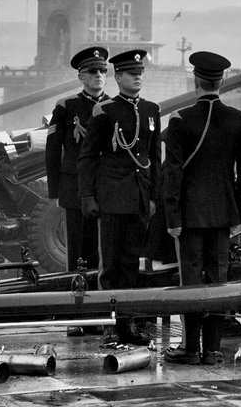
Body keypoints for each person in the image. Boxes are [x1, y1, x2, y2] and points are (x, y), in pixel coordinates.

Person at [162, 51, 241, 366]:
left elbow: (171, 173)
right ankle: (212, 350)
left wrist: (172, 216)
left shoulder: (179, 119)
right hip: (223, 215)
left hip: (188, 216)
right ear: (223, 80)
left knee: (190, 281)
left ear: (195, 80)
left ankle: (189, 349)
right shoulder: (239, 120)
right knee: (218, 280)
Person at [76, 48, 161, 345]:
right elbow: (87, 158)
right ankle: (110, 325)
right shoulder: (106, 110)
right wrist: (88, 197)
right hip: (111, 198)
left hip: (138, 198)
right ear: (118, 77)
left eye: (140, 74)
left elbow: (154, 158)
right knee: (110, 266)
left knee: (130, 265)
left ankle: (129, 324)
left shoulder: (152, 111)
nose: (138, 79)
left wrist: (153, 197)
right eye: (132, 74)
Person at [45, 45, 109, 274]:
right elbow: (52, 151)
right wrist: (55, 191)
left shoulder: (112, 106)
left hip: (103, 186)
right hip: (73, 187)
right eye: (92, 71)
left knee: (101, 249)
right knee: (76, 252)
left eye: (103, 71)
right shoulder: (66, 106)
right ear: (81, 76)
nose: (98, 76)